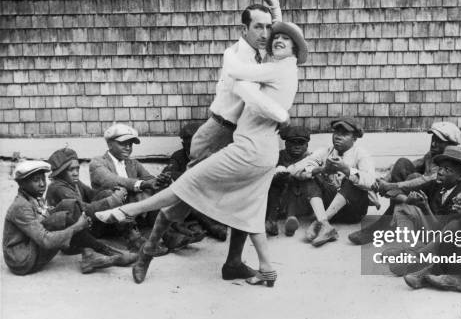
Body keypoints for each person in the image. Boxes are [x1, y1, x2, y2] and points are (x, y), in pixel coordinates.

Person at [97, 21, 308, 288]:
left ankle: (129, 212)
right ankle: (147, 255)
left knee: (202, 191)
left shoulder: (271, 63)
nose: (268, 35)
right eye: (261, 28)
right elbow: (265, 66)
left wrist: (265, 100)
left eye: (272, 30)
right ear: (245, 30)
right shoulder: (252, 56)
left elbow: (251, 74)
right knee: (201, 199)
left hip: (249, 145)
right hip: (223, 134)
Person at [3, 161, 135, 275]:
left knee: (68, 204)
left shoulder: (33, 197)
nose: (42, 184)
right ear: (22, 184)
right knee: (62, 217)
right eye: (36, 180)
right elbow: (45, 240)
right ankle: (102, 251)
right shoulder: (21, 206)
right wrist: (77, 226)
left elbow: (46, 217)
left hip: (31, 247)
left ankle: (91, 253)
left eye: (43, 178)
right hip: (22, 261)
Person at [349, 121, 461, 245]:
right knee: (402, 163)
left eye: (439, 141)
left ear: (451, 145)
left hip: (432, 209)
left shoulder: (452, 163)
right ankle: (393, 220)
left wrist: (391, 186)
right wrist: (384, 180)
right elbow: (411, 165)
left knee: (414, 177)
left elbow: (426, 179)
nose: (434, 143)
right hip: (419, 198)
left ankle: (385, 225)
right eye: (433, 139)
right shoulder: (432, 155)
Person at [393, 145, 461, 286]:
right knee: (403, 207)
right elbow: (394, 193)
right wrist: (408, 199)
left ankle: (420, 261)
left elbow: (445, 232)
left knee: (398, 266)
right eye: (440, 167)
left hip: (447, 244)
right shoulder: (437, 184)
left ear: (460, 177)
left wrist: (425, 208)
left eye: (448, 170)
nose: (441, 172)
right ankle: (410, 250)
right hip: (433, 237)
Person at [289, 118, 376, 247]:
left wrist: (346, 170)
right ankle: (325, 225)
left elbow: (370, 182)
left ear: (355, 138)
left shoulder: (361, 154)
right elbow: (293, 169)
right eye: (336, 133)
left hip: (353, 211)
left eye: (344, 134)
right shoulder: (325, 151)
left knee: (350, 179)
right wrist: (321, 169)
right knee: (311, 175)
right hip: (328, 209)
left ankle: (318, 223)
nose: (338, 137)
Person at [89, 123, 170, 249]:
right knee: (115, 192)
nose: (128, 147)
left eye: (130, 144)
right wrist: (143, 184)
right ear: (110, 144)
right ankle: (134, 240)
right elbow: (111, 180)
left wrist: (159, 181)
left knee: (152, 189)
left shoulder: (132, 163)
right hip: (105, 220)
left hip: (130, 216)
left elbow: (148, 179)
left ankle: (168, 235)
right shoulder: (97, 162)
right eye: (123, 143)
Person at [160, 122, 227, 242]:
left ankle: (204, 226)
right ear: (182, 143)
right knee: (185, 195)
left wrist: (187, 178)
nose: (190, 143)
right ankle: (209, 226)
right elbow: (168, 173)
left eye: (193, 139)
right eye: (186, 140)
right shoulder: (178, 155)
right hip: (188, 196)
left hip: (209, 196)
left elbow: (212, 180)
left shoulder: (211, 154)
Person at [265, 125, 311, 237]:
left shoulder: (310, 158)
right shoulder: (279, 156)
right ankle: (272, 220)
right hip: (278, 200)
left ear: (306, 145)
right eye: (293, 143)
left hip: (300, 200)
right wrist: (277, 175)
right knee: (277, 182)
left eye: (301, 143)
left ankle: (291, 219)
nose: (297, 146)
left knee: (294, 179)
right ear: (286, 144)